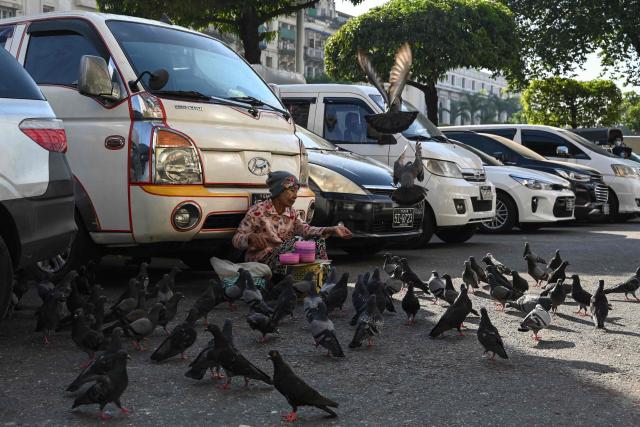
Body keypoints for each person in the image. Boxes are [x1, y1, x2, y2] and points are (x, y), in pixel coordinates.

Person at [232, 171, 352, 275]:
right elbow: (236, 239)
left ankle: (320, 285)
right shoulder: (258, 211)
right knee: (296, 243)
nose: (295, 196)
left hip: (285, 255)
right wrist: (249, 238)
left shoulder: (291, 213)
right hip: (261, 259)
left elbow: (306, 230)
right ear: (278, 191)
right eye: (291, 191)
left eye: (296, 191)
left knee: (317, 243)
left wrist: (332, 229)